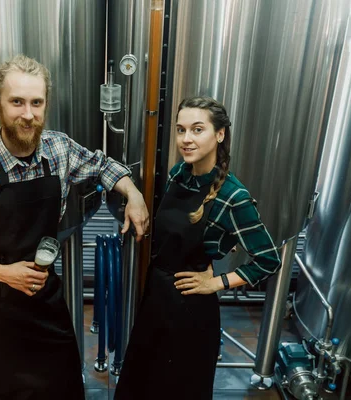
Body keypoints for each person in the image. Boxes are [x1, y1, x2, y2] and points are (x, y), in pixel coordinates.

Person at [0, 54, 149, 400]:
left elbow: (101, 165)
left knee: (60, 387)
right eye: (16, 102)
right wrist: (6, 273)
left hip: (45, 300)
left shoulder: (58, 148)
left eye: (36, 102)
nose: (28, 114)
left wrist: (133, 193)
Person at [114, 97, 281, 399]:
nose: (186, 139)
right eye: (180, 130)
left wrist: (216, 283)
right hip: (156, 297)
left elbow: (268, 259)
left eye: (197, 129)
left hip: (191, 309)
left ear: (219, 135)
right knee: (142, 381)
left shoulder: (234, 196)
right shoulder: (180, 173)